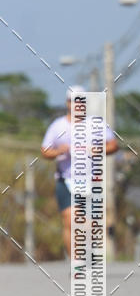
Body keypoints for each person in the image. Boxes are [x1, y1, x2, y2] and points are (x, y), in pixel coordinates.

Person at [41, 85, 118, 257]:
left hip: (90, 181)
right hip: (65, 180)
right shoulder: (57, 126)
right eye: (73, 101)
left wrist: (99, 150)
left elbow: (113, 145)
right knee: (70, 220)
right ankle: (77, 263)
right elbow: (45, 150)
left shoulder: (95, 124)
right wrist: (60, 150)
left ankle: (87, 250)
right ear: (67, 103)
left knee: (87, 224)